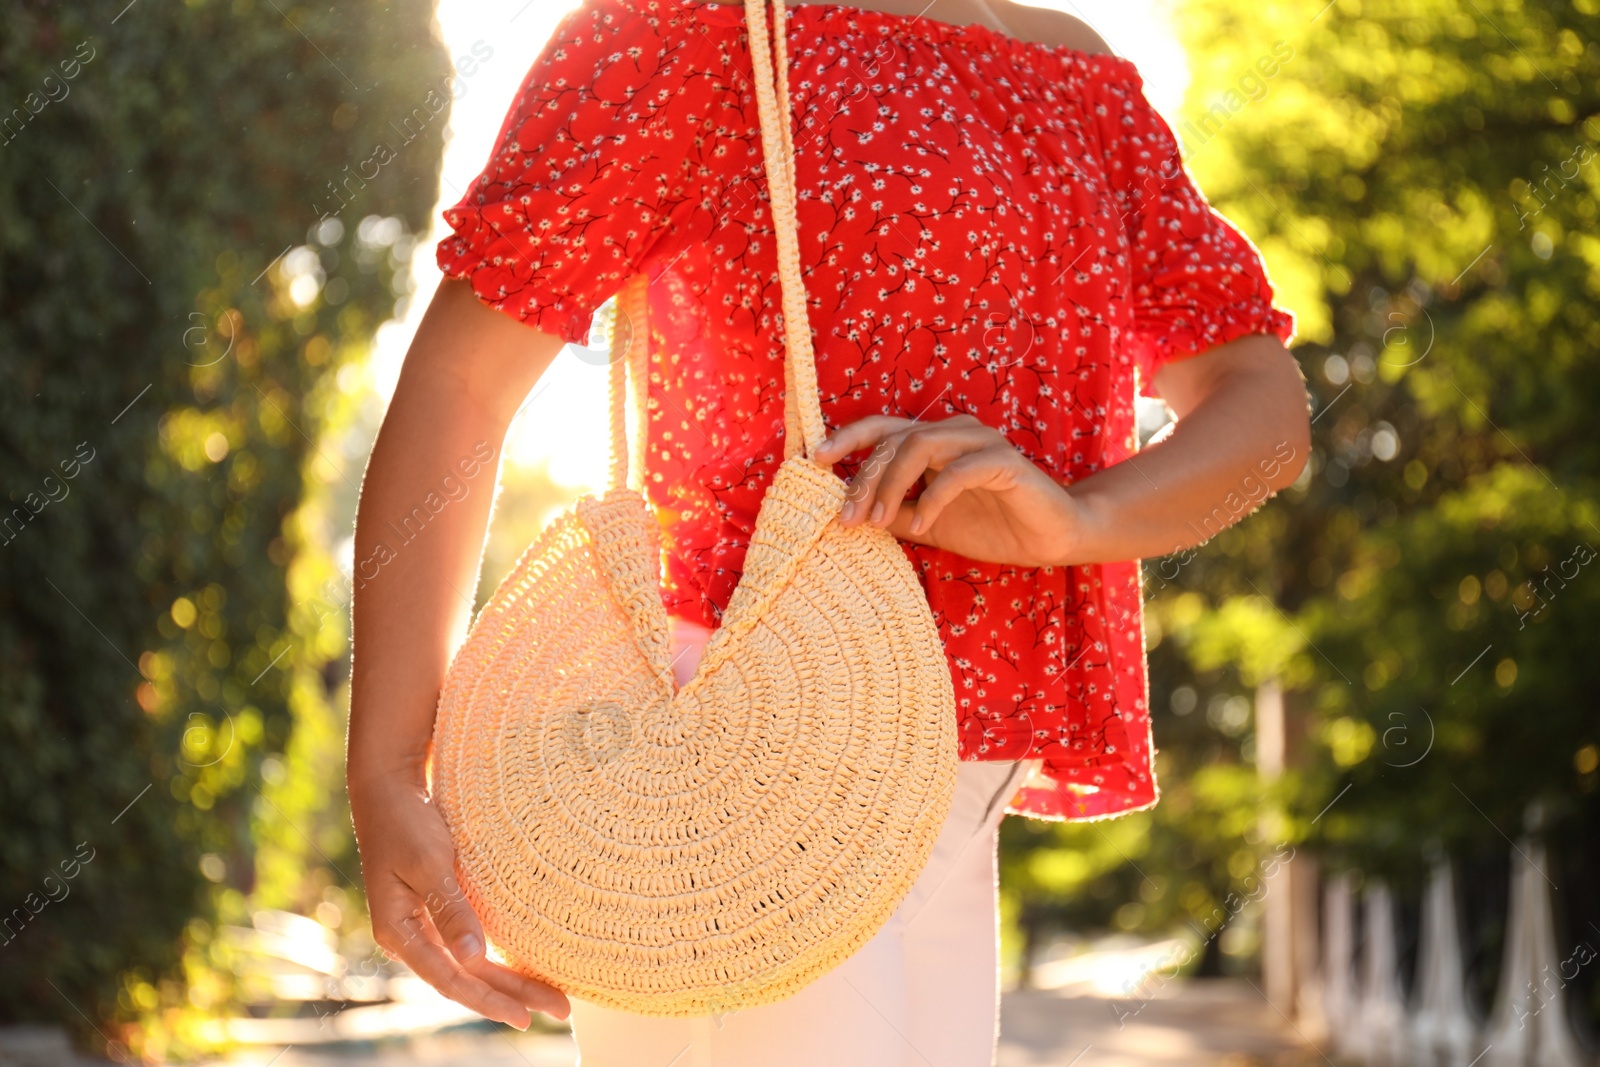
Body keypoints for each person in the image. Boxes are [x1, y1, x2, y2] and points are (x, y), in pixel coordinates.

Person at [345, 0, 1309, 1063]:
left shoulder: (1073, 73)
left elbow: (1259, 401)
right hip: (731, 754)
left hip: (950, 777)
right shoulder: (685, 28)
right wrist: (389, 762)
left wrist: (1081, 520)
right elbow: (461, 381)